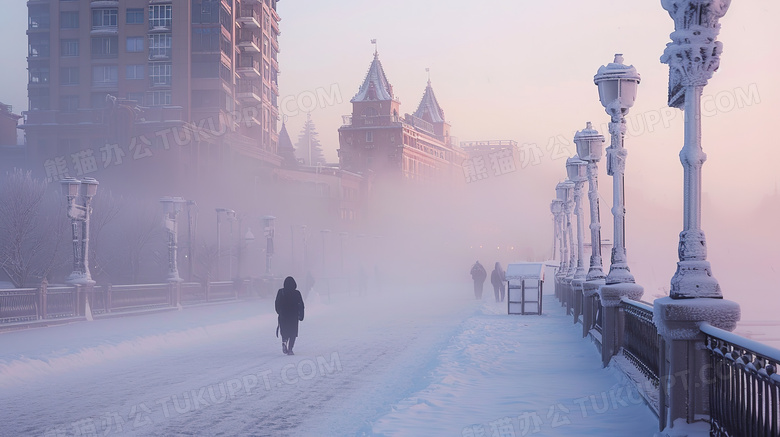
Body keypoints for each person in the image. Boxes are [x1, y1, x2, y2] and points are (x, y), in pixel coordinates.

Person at [275, 276, 305, 355]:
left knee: (284, 331)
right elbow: (301, 305)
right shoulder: (297, 293)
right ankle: (290, 349)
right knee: (293, 333)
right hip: (293, 316)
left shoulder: (280, 292)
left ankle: (284, 341)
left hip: (283, 316)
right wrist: (301, 315)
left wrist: (279, 312)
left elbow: (277, 303)